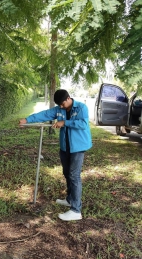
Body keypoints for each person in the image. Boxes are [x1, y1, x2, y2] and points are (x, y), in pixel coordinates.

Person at [19, 89, 92, 221]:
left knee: (74, 176)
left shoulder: (81, 107)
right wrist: (27, 120)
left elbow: (83, 124)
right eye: (59, 105)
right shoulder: (59, 109)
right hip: (65, 147)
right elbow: (45, 114)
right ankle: (70, 199)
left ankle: (76, 210)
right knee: (66, 173)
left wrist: (64, 122)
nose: (61, 107)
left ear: (68, 98)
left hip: (78, 147)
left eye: (63, 104)